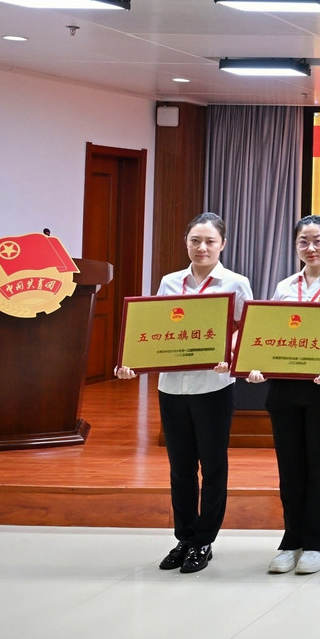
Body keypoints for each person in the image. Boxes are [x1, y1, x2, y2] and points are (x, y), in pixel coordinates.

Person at [114, 212, 253, 574]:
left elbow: (244, 327)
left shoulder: (235, 282)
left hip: (214, 386)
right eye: (195, 240)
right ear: (186, 243)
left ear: (223, 244)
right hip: (173, 387)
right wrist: (132, 362)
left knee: (213, 465)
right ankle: (184, 537)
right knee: (180, 468)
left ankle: (204, 540)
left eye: (209, 241)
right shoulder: (170, 281)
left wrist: (229, 352)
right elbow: (156, 328)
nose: (202, 247)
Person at [246, 215, 320, 575]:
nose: (310, 248)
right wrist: (257, 363)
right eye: (303, 241)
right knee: (290, 466)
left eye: (318, 241)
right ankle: (291, 540)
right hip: (284, 388)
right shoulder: (284, 286)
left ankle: (316, 543)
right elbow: (269, 333)